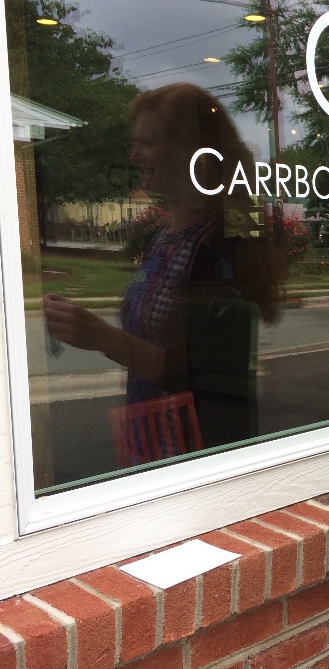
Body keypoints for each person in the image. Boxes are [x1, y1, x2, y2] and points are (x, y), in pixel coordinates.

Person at [44, 83, 282, 452]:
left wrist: (101, 337)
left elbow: (200, 372)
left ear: (193, 153)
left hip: (193, 451)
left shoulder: (218, 242)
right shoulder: (168, 234)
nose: (133, 155)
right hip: (153, 440)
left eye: (148, 143)